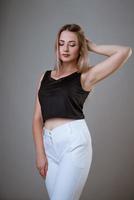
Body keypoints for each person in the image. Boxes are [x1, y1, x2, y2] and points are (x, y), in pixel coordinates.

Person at [32, 24, 132, 200]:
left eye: (72, 44)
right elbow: (37, 119)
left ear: (80, 48)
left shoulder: (85, 77)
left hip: (74, 143)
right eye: (62, 43)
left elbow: (124, 52)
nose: (66, 48)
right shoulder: (44, 77)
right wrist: (40, 153)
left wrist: (94, 47)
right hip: (49, 147)